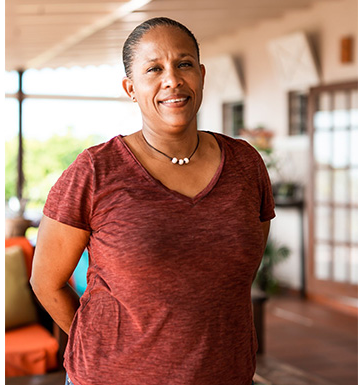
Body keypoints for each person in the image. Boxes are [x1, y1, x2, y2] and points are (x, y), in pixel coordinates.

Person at [30, 17, 274, 385]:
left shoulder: (245, 164)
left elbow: (237, 275)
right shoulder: (95, 171)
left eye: (184, 64)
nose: (172, 79)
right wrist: (99, 344)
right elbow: (45, 282)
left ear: (202, 75)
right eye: (154, 69)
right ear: (131, 87)